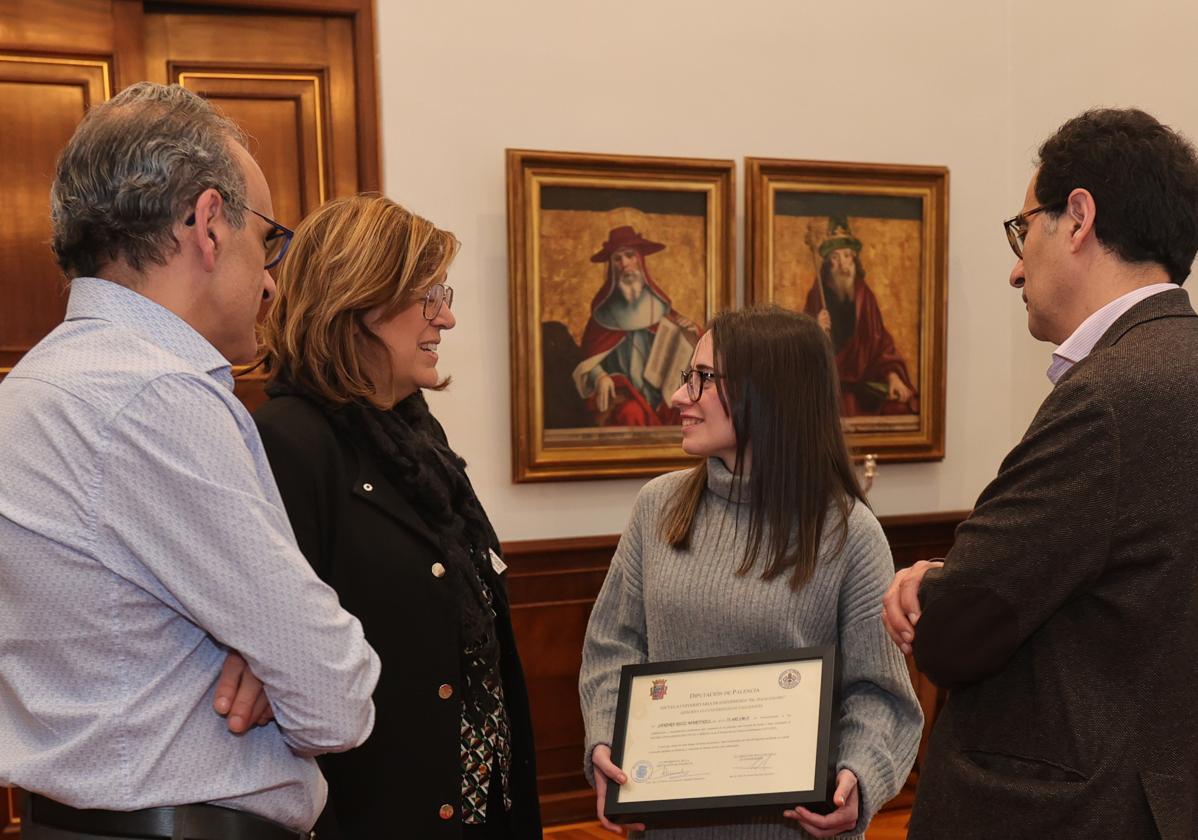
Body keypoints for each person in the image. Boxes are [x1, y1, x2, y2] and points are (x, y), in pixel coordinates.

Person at [0, 83, 380, 840]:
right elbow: (336, 695)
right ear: (207, 224)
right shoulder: (155, 396)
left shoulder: (33, 384)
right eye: (268, 240)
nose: (273, 278)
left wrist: (266, 652)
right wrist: (275, 660)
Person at [882, 108, 1198, 839]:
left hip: (1070, 811)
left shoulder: (1109, 397)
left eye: (1024, 231)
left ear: (1078, 218)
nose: (1017, 266)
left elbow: (960, 627)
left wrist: (929, 588)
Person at [254, 193, 542, 839]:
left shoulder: (415, 435)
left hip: (479, 806)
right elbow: (283, 664)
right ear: (358, 301)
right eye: (428, 294)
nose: (448, 317)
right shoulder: (288, 442)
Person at [580, 304, 923, 839]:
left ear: (769, 393)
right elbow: (613, 646)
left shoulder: (849, 532)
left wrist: (859, 777)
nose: (678, 397)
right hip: (666, 826)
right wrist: (605, 739)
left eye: (702, 379)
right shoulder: (658, 506)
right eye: (685, 378)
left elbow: (879, 693)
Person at [572, 225, 699, 426]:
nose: (624, 264)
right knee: (631, 415)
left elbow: (691, 347)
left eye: (629, 256)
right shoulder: (602, 316)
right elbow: (588, 359)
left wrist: (691, 332)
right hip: (624, 396)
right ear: (611, 266)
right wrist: (600, 376)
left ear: (640, 260)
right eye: (617, 259)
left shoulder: (660, 308)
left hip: (662, 395)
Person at [803, 216, 916, 416]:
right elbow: (799, 348)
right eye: (835, 258)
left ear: (854, 258)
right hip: (827, 387)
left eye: (847, 256)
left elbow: (880, 342)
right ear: (828, 263)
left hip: (863, 387)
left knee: (901, 407)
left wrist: (892, 376)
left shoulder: (865, 297)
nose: (843, 264)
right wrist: (815, 328)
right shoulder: (817, 295)